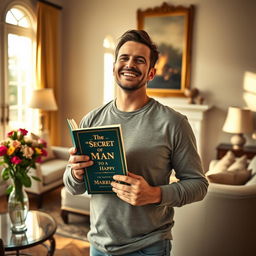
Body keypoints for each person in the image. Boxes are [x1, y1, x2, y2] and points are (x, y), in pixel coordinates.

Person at [63, 29, 208, 256]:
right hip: (98, 245)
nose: (130, 64)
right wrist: (76, 172)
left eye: (139, 60)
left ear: (151, 73)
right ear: (114, 69)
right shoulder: (91, 119)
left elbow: (199, 185)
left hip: (148, 247)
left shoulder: (173, 123)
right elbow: (73, 187)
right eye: (124, 58)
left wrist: (155, 194)